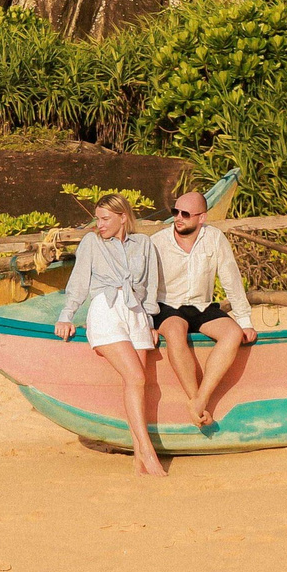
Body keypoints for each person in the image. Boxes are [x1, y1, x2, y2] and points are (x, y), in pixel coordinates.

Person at [52, 193, 166, 476]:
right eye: (98, 219)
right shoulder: (91, 242)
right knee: (136, 377)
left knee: (138, 385)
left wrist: (151, 321)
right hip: (107, 309)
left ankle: (138, 458)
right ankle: (149, 452)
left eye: (105, 219)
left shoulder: (144, 244)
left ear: (123, 217)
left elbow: (150, 287)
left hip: (137, 313)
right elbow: (78, 282)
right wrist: (67, 316)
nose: (99, 225)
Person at [149, 188, 256, 428]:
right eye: (175, 211)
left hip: (202, 305)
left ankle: (200, 400)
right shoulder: (157, 242)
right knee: (176, 330)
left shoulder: (215, 238)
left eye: (185, 213)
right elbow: (145, 287)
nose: (178, 217)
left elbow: (231, 280)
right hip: (167, 305)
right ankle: (194, 399)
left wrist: (245, 321)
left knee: (232, 334)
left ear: (202, 218)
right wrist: (145, 323)